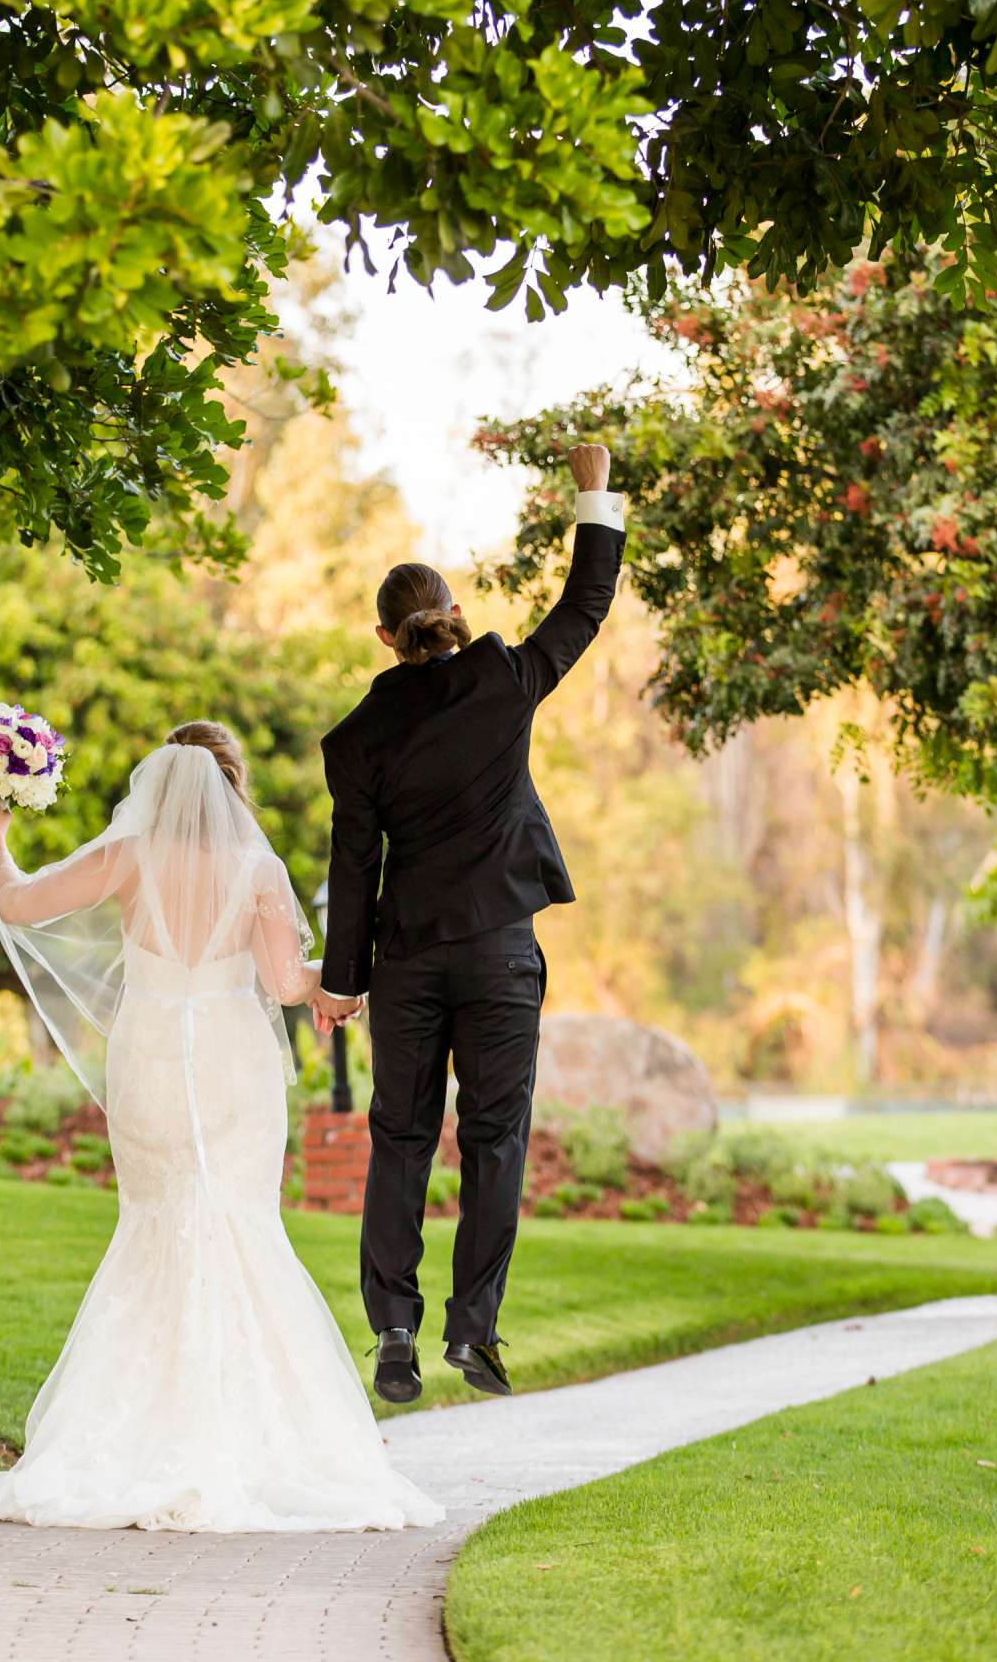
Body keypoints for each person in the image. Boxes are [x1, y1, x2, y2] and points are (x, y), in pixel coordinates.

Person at [0, 720, 441, 1534]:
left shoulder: (129, 853)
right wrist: (337, 983)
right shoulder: (256, 868)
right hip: (232, 1061)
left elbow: (17, 900)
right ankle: (263, 1441)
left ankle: (127, 1440)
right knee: (241, 1225)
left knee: (155, 1224)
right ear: (231, 785)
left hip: (147, 1053)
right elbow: (286, 983)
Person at [313, 442, 624, 1403]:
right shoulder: (501, 682)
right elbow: (582, 610)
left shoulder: (358, 737)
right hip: (497, 955)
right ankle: (474, 1332)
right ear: (452, 615)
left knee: (401, 1138)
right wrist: (595, 492)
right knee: (494, 1137)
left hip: (405, 962)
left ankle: (395, 1326)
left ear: (382, 637)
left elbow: (353, 862)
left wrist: (341, 978)